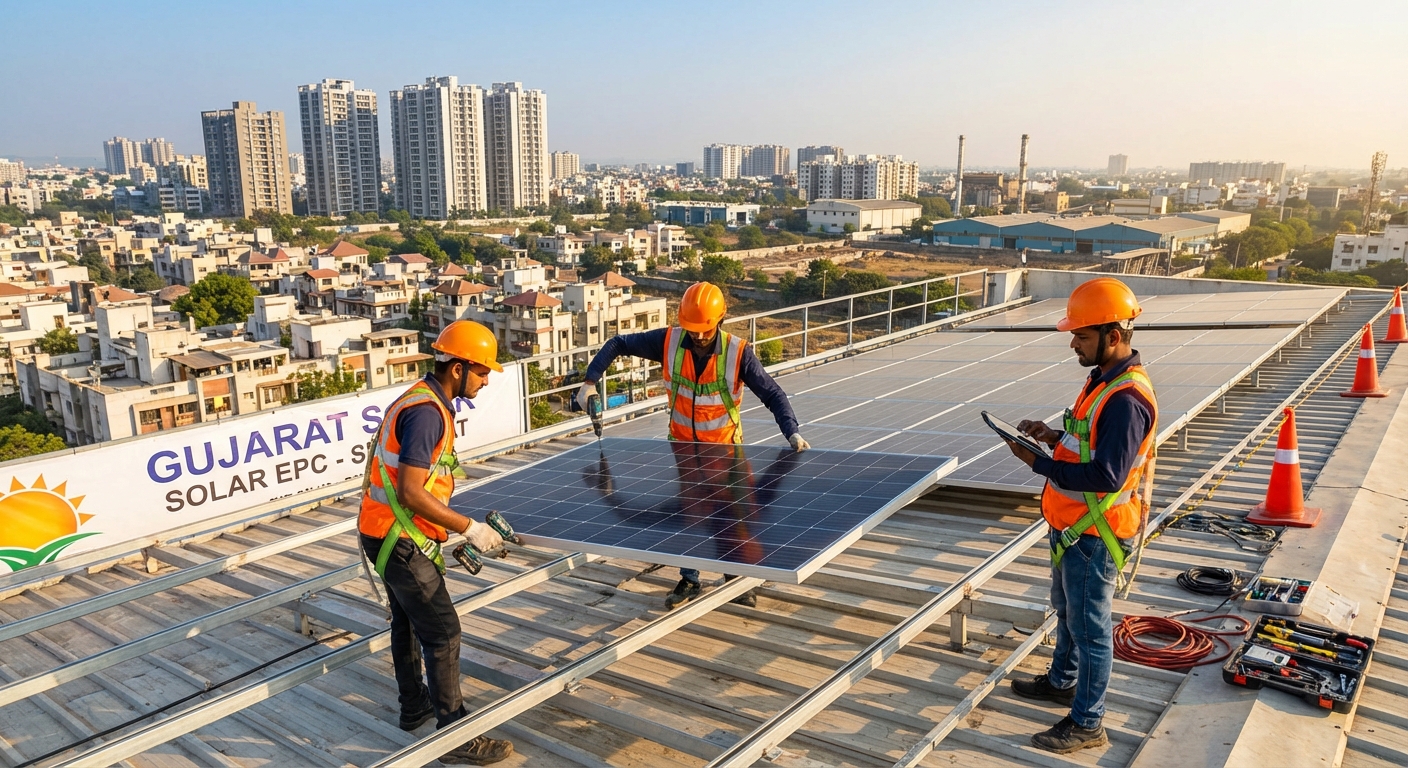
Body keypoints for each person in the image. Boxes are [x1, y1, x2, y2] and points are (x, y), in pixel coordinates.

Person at [575, 281, 809, 609]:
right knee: (692, 516)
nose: (698, 336)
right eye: (692, 329)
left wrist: (791, 432)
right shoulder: (669, 341)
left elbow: (773, 393)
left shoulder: (737, 353)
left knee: (734, 520)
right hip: (685, 452)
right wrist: (588, 383)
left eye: (705, 329)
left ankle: (737, 578)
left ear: (721, 320)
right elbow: (618, 343)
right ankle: (691, 578)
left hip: (727, 456)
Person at [1001, 277, 1158, 755]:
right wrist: (1050, 437)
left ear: (1114, 336)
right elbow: (1085, 444)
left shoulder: (1127, 400)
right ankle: (1061, 682)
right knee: (1067, 613)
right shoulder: (1101, 381)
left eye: (1082, 336)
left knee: (1091, 631)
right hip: (1074, 527)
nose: (1072, 343)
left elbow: (1108, 476)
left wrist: (1039, 464)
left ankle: (1088, 722)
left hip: (1096, 534)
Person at [358, 320, 514, 765]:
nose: (486, 382)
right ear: (459, 368)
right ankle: (454, 734)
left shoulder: (423, 400)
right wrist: (469, 527)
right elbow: (410, 491)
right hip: (399, 539)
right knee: (444, 632)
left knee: (408, 624)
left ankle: (414, 708)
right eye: (482, 372)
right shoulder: (427, 412)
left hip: (385, 534)